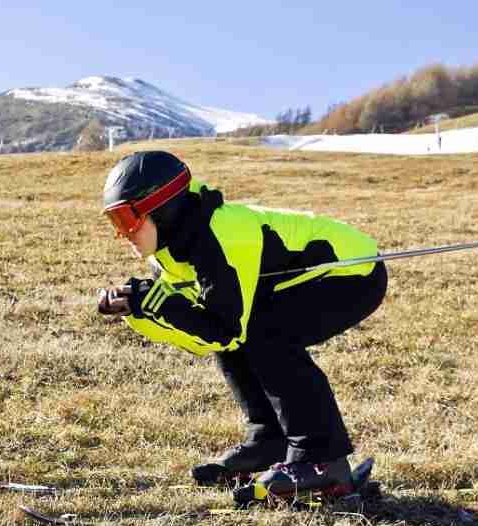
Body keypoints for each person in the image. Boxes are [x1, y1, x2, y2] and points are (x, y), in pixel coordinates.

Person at [96, 150, 388, 504]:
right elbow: (199, 336)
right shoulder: (169, 252)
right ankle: (270, 441)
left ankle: (322, 460)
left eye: (127, 219)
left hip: (352, 272)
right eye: (114, 221)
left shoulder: (221, 235)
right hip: (291, 284)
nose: (122, 234)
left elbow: (222, 330)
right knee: (246, 332)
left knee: (267, 334)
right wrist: (138, 311)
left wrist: (155, 302)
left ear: (163, 208)